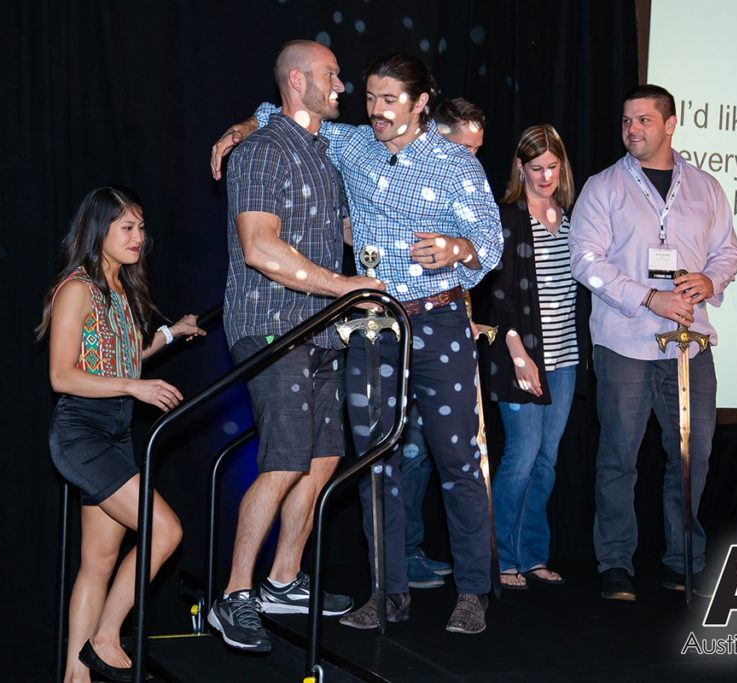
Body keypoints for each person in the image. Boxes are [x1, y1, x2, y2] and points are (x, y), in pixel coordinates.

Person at [211, 53, 503, 634]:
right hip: (371, 329)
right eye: (370, 98)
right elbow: (284, 110)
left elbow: (491, 243)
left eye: (389, 99)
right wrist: (244, 127)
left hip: (438, 322)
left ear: (421, 103)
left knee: (457, 460)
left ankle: (474, 592)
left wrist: (457, 248)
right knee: (376, 463)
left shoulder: (454, 163)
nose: (375, 109)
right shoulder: (353, 144)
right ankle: (388, 592)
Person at [210, 39, 382, 654]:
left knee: (323, 459)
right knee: (283, 460)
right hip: (271, 327)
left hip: (319, 331)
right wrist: (345, 285)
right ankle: (232, 594)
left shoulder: (326, 153)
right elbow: (259, 247)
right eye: (333, 77)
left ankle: (283, 579)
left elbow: (341, 231)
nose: (342, 87)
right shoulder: (260, 152)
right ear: (300, 80)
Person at [568, 84, 737, 601]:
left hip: (691, 342)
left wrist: (710, 281)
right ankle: (615, 562)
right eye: (626, 121)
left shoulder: (706, 187)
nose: (632, 130)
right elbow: (585, 261)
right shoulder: (603, 187)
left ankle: (682, 560)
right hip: (626, 341)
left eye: (644, 120)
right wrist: (648, 298)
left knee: (694, 454)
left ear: (670, 124)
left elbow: (728, 252)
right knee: (619, 453)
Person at [39, 185, 204, 683]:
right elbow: (62, 376)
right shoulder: (75, 289)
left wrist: (171, 335)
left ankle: (75, 676)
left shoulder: (121, 290)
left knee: (100, 559)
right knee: (166, 530)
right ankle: (106, 638)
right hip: (81, 433)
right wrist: (135, 386)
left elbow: (124, 357)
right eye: (127, 227)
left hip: (113, 432)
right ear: (100, 230)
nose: (139, 237)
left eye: (141, 227)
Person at [477, 124, 578, 590]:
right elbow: (497, 295)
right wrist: (519, 354)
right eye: (535, 168)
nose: (545, 177)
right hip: (520, 354)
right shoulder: (508, 217)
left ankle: (533, 553)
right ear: (520, 167)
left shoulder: (573, 217)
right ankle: (500, 557)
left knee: (548, 460)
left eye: (552, 167)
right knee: (521, 454)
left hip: (566, 357)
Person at [401, 97, 487, 590]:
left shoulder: (466, 187)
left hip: (449, 330)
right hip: (406, 333)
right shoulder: (412, 182)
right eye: (464, 147)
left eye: (478, 150)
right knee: (408, 451)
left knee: (448, 455)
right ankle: (403, 557)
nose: (471, 160)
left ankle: (464, 579)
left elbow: (481, 258)